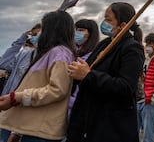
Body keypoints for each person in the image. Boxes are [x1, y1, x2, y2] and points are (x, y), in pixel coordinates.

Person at [66, 2, 145, 142]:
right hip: (88, 119)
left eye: (109, 20)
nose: (104, 23)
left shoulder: (132, 48)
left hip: (111, 125)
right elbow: (87, 70)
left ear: (123, 25)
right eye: (105, 18)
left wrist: (88, 75)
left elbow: (125, 86)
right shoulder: (104, 44)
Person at [0, 10, 76, 142]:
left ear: (51, 30)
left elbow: (57, 90)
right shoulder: (50, 53)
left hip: (41, 133)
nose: (40, 34)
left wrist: (16, 97)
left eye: (43, 28)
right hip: (32, 128)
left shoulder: (59, 53)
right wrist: (18, 133)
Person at [67, 19, 99, 118]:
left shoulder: (93, 54)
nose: (77, 32)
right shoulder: (73, 51)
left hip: (76, 103)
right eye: (76, 29)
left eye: (81, 30)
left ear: (90, 34)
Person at [0, 23, 41, 95]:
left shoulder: (45, 56)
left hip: (23, 100)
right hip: (8, 98)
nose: (35, 37)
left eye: (38, 35)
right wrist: (20, 40)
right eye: (33, 35)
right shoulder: (24, 54)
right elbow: (4, 63)